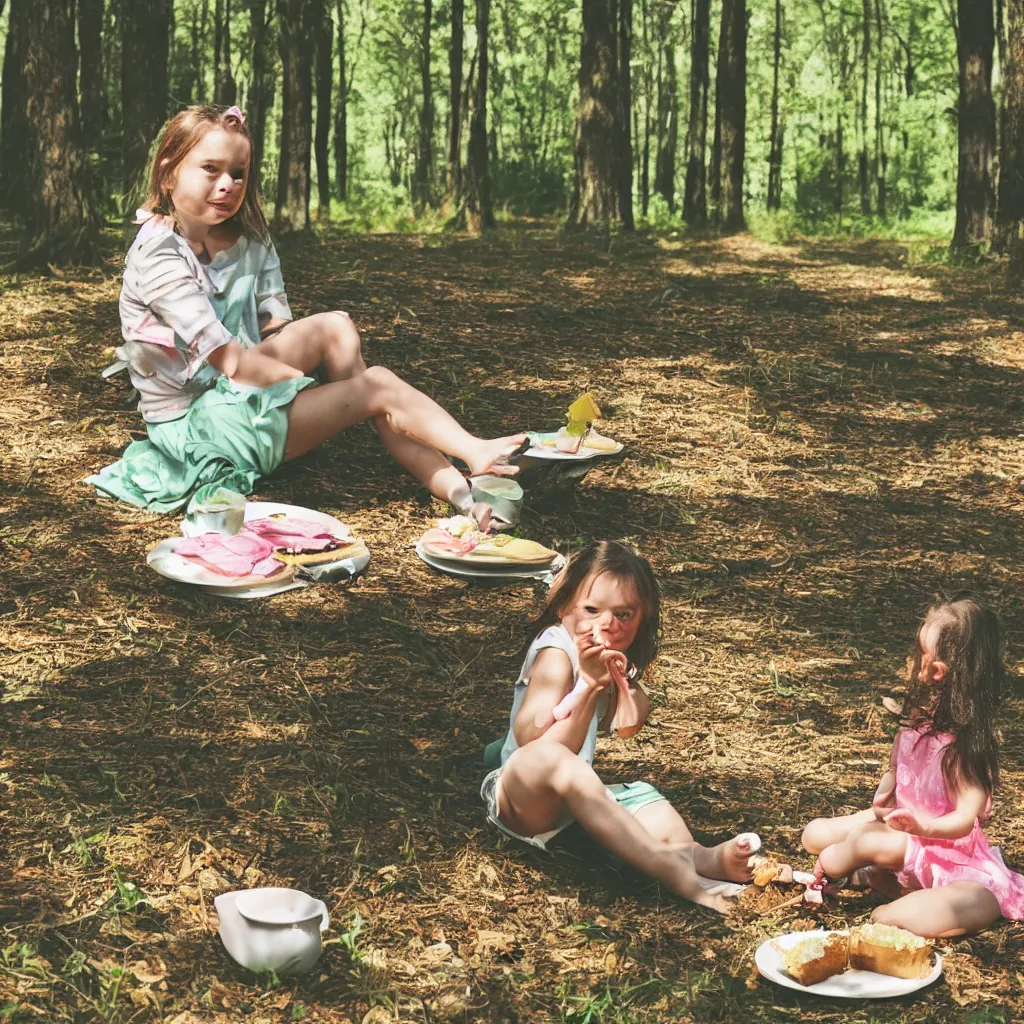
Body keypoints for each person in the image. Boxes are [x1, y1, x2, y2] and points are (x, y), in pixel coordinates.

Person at [86, 104, 525, 516]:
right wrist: (301, 386)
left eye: (238, 173)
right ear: (168, 172)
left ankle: (454, 484)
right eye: (210, 169)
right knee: (377, 386)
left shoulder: (251, 240)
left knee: (337, 328)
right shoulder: (159, 255)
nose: (228, 185)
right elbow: (231, 361)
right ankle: (465, 459)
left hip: (234, 393)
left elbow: (277, 328)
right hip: (198, 429)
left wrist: (306, 382)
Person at [481, 541, 760, 914]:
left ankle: (701, 858)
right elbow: (533, 741)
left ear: (643, 618)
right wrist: (590, 685)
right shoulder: (556, 651)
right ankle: (673, 873)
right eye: (592, 609)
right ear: (564, 605)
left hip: (574, 802)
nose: (607, 625)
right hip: (522, 795)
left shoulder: (611, 659)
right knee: (559, 762)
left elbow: (629, 725)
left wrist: (621, 682)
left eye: (624, 614)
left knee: (644, 797)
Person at [802, 597, 1024, 938]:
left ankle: (892, 899)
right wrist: (883, 801)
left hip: (952, 860)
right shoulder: (915, 724)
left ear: (938, 670)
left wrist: (921, 827)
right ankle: (877, 875)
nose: (912, 659)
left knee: (973, 903)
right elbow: (897, 773)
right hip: (904, 836)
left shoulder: (964, 748)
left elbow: (965, 820)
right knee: (816, 835)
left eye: (920, 651)